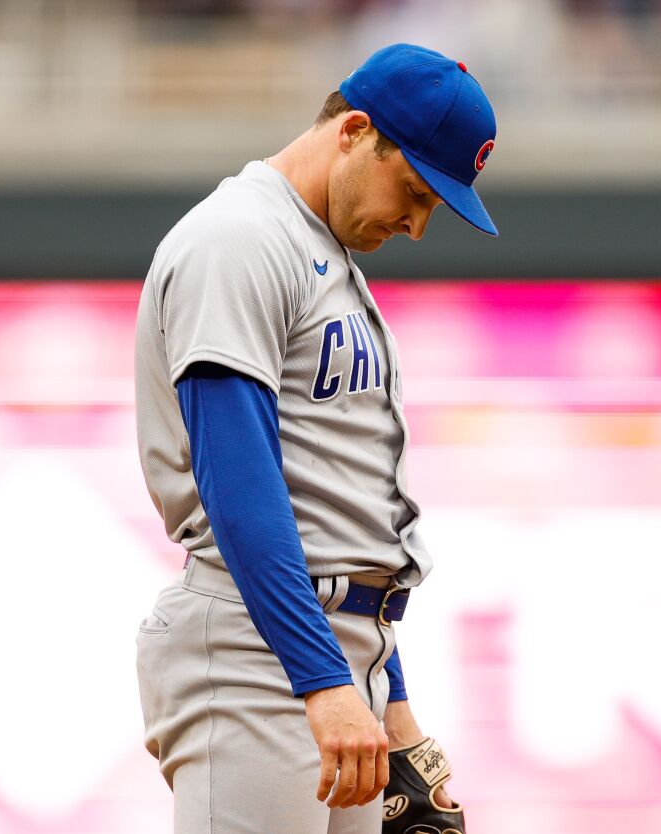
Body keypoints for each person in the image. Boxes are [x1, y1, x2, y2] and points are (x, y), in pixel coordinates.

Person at [133, 42, 497, 833]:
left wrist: (389, 702)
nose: (416, 224)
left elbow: (337, 514)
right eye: (415, 189)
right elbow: (239, 480)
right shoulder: (237, 238)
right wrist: (320, 680)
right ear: (355, 130)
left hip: (330, 653)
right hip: (253, 655)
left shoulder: (321, 254)